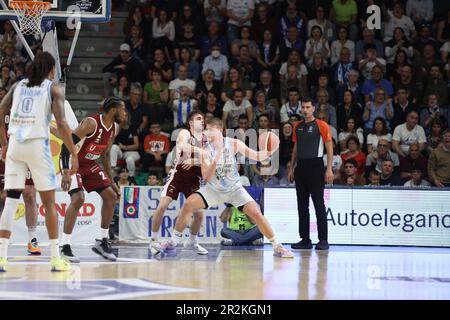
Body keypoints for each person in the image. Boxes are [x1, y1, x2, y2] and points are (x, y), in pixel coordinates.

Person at [157, 117, 293, 258]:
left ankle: (277, 246)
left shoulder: (233, 144)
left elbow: (257, 156)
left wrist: (270, 150)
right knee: (188, 205)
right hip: (213, 189)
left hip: (235, 189)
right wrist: (215, 159)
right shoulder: (205, 150)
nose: (207, 133)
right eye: (205, 130)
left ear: (220, 130)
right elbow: (206, 177)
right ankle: (172, 242)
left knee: (256, 213)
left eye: (210, 129)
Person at [0, 52, 78, 272]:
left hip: (15, 144)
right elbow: (62, 124)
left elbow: (0, 110)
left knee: (11, 202)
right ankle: (55, 258)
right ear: (51, 70)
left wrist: (4, 144)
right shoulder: (53, 89)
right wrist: (73, 152)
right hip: (36, 145)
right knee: (50, 203)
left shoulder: (17, 86)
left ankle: (1, 257)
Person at [57, 97, 125, 262]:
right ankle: (64, 246)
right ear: (114, 110)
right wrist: (66, 170)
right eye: (123, 110)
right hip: (73, 162)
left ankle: (102, 241)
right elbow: (66, 145)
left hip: (89, 164)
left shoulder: (114, 128)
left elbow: (105, 155)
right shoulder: (91, 123)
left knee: (111, 196)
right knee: (79, 198)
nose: (125, 113)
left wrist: (112, 181)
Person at [149, 111, 209, 255]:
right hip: (178, 176)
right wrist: (202, 153)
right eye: (198, 118)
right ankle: (153, 241)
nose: (202, 121)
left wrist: (195, 160)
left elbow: (209, 161)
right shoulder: (185, 133)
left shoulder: (206, 139)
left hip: (194, 179)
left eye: (203, 119)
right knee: (162, 206)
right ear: (190, 122)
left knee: (200, 215)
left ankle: (192, 241)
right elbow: (182, 145)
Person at [288, 98, 334, 250]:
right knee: (302, 205)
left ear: (313, 108)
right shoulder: (298, 126)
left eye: (308, 107)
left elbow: (329, 147)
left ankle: (323, 239)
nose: (305, 110)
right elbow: (296, 148)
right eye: (303, 107)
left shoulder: (321, 125)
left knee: (318, 204)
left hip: (316, 166)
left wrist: (329, 169)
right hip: (301, 167)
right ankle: (305, 239)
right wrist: (291, 168)